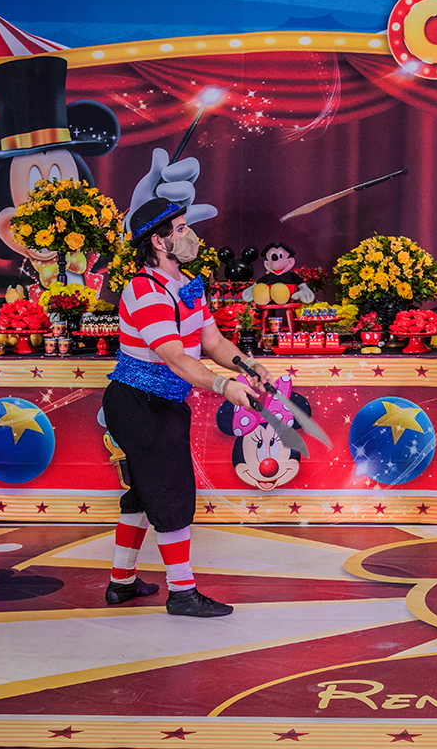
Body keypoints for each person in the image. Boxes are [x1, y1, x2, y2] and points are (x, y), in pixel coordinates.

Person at [102, 197, 272, 617]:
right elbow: (176, 357)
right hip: (138, 404)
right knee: (171, 494)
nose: (189, 234)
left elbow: (212, 342)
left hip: (163, 403)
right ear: (158, 242)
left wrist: (248, 365)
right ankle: (182, 592)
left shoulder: (188, 283)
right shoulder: (144, 289)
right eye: (179, 229)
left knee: (144, 491)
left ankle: (121, 583)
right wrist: (223, 385)